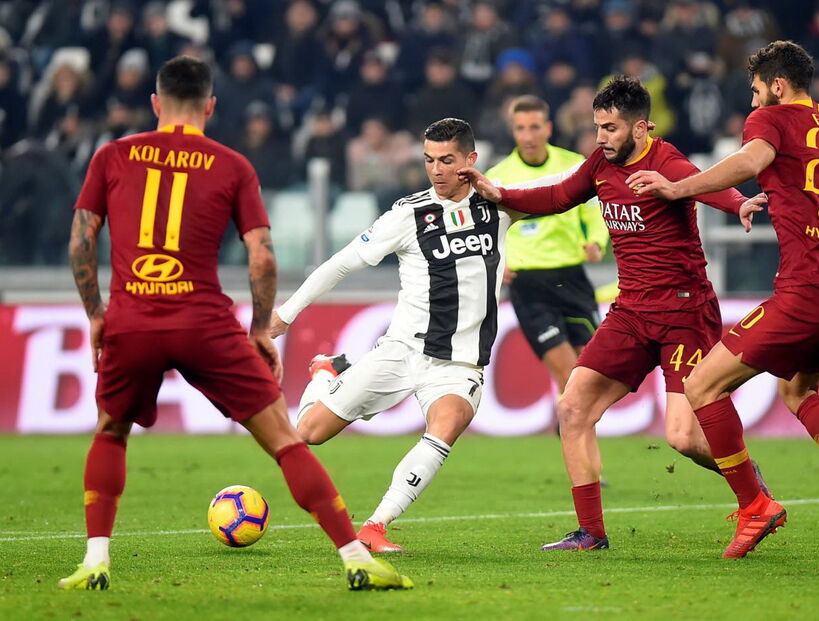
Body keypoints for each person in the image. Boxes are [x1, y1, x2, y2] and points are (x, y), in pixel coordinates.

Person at [58, 56, 412, 591]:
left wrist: (95, 315)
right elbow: (262, 257)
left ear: (156, 104)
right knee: (284, 441)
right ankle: (354, 556)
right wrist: (258, 329)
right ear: (211, 106)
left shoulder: (112, 155)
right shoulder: (230, 164)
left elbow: (81, 242)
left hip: (133, 317)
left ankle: (94, 561)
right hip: (204, 323)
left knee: (110, 433)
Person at [458, 76, 768, 551]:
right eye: (597, 127)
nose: (599, 137)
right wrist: (500, 195)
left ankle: (752, 490)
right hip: (630, 311)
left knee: (683, 438)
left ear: (641, 127)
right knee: (573, 407)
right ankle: (591, 533)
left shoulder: (667, 161)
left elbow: (707, 186)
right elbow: (558, 196)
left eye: (610, 128)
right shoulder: (601, 163)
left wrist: (739, 203)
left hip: (683, 311)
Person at [627, 40, 819, 558]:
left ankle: (755, 506)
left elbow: (751, 159)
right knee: (798, 394)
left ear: (777, 85)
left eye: (755, 91)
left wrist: (678, 189)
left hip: (806, 291)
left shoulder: (773, 121)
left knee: (702, 386)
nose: (752, 104)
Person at [269, 118, 522, 553]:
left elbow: (562, 192)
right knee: (309, 432)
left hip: (458, 362)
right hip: (402, 349)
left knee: (448, 423)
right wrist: (287, 313)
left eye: (447, 160)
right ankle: (326, 373)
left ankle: (375, 526)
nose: (437, 170)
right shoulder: (409, 214)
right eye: (429, 160)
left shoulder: (497, 204)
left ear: (471, 160)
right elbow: (342, 262)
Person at [485, 95, 607, 395]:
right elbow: (484, 233)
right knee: (569, 376)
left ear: (548, 128)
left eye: (534, 127)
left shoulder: (574, 166)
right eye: (521, 128)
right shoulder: (497, 178)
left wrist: (595, 241)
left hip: (572, 277)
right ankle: (570, 431)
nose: (528, 136)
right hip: (529, 284)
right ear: (513, 131)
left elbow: (595, 212)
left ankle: (566, 426)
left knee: (590, 376)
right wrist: (495, 263)